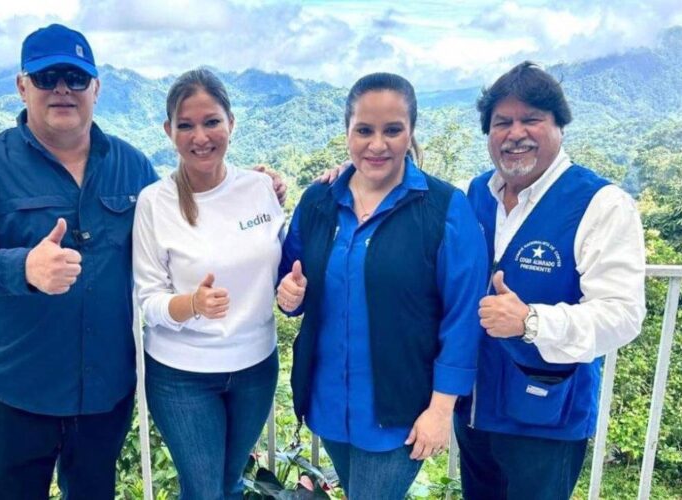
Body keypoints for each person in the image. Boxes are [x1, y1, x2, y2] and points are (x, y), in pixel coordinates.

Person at [0, 25, 285, 499]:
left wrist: (252, 190)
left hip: (104, 396)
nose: (62, 88)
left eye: (76, 77)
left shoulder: (131, 165)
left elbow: (185, 212)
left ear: (95, 87)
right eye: (46, 77)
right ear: (22, 85)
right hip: (16, 394)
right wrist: (23, 269)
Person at [277, 72, 488, 499]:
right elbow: (291, 281)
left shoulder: (444, 208)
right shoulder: (319, 202)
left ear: (411, 133)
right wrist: (289, 296)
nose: (378, 144)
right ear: (347, 132)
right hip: (330, 403)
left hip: (400, 412)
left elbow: (463, 316)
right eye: (364, 130)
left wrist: (441, 408)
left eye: (393, 130)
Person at [454, 61, 646, 500]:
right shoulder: (472, 194)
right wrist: (345, 180)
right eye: (502, 122)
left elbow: (623, 314)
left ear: (559, 126)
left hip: (546, 418)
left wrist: (531, 322)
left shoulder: (601, 204)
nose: (515, 133)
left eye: (531, 120)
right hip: (474, 410)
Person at [132, 68, 284, 500]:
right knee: (203, 492)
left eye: (211, 121)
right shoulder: (154, 202)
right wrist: (192, 305)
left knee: (231, 483)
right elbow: (148, 299)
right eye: (186, 125)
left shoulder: (259, 189)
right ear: (169, 131)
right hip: (182, 374)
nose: (201, 136)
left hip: (256, 366)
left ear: (231, 123)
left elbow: (282, 257)